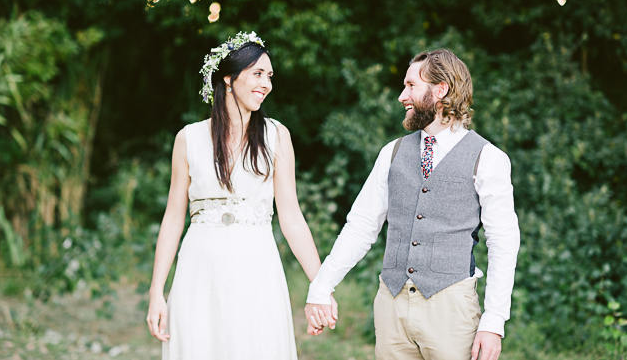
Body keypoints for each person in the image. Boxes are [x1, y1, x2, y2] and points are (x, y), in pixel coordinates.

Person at [304, 49, 520, 360]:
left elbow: (503, 241)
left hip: (452, 311)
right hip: (391, 307)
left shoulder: (488, 158)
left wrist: (494, 320)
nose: (401, 96)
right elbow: (362, 226)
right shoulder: (390, 153)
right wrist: (321, 287)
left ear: (441, 90)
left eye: (411, 86)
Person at [146, 32, 335, 360]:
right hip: (199, 269)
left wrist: (321, 285)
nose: (267, 84)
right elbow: (174, 217)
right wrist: (156, 291)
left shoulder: (277, 135)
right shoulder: (188, 138)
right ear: (229, 79)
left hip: (256, 265)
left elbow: (290, 217)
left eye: (270, 76)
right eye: (258, 74)